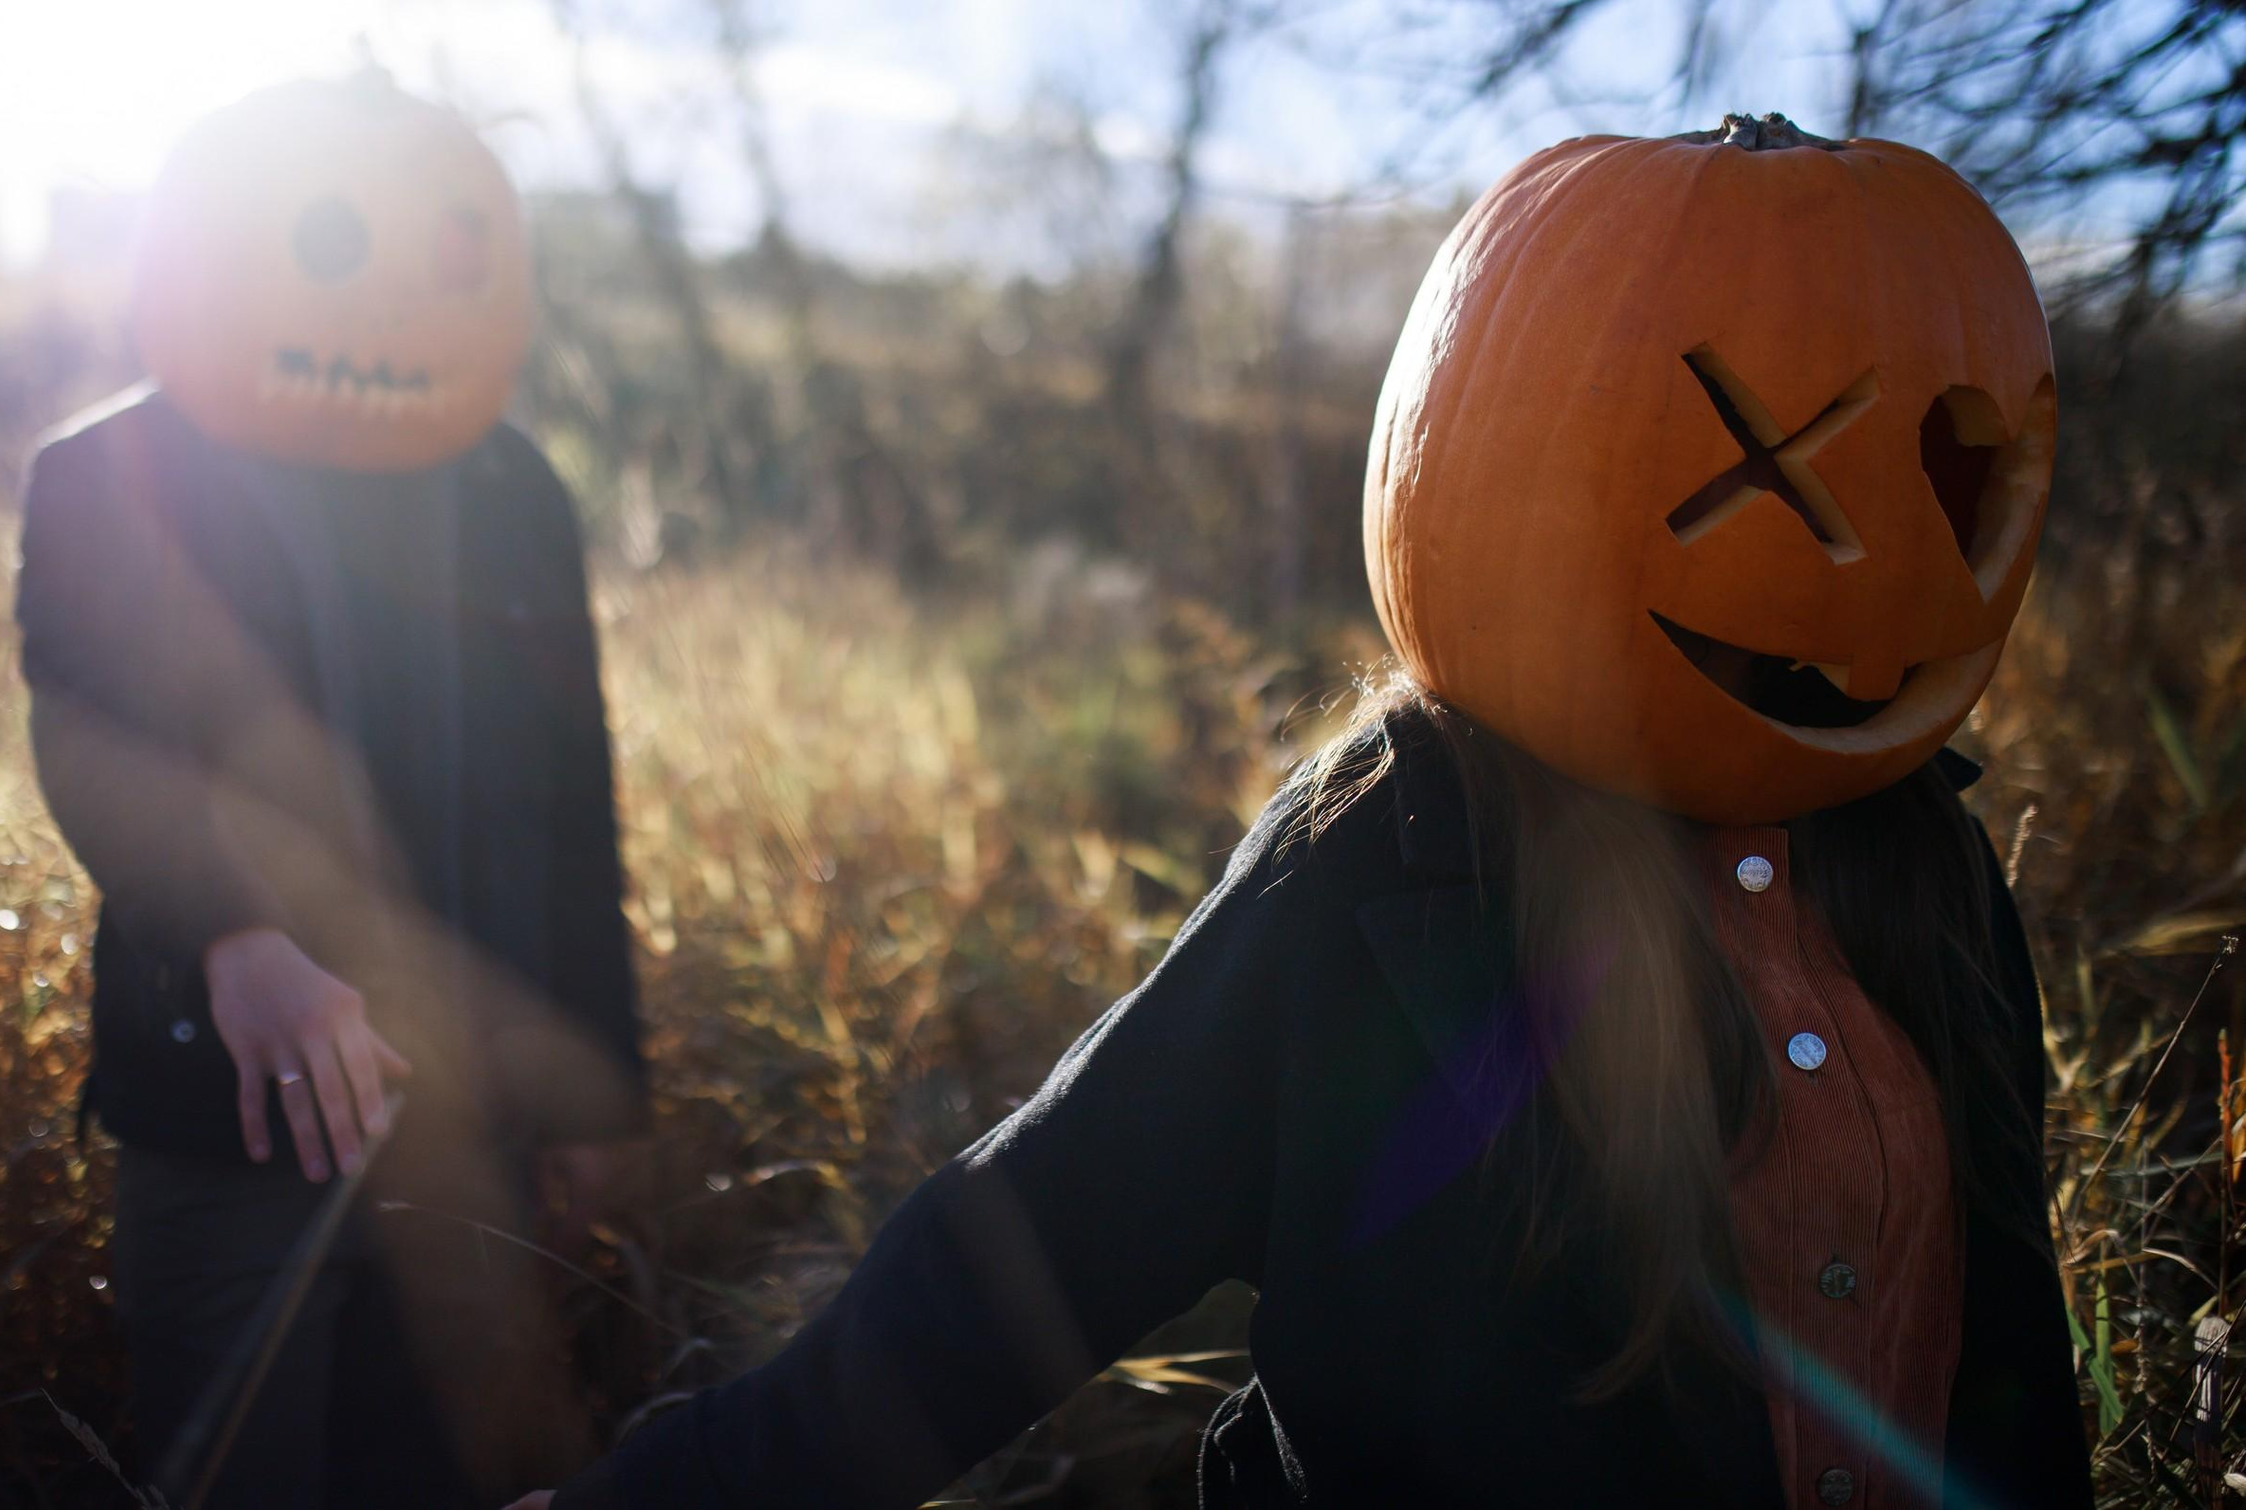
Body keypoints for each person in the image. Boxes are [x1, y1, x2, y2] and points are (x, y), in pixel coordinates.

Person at [513, 116, 2089, 1509]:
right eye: (1767, 471)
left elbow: (2008, 1337)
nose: (1887, 567)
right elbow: (1033, 1247)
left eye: (1939, 481)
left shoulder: (1928, 859)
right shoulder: (1391, 865)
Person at [18, 74, 643, 1509]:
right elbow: (92, 737)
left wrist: (599, 1081)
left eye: (453, 251)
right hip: (231, 1115)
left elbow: (569, 795)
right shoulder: (111, 474)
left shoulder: (511, 496)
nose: (388, 304)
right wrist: (239, 935)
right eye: (333, 239)